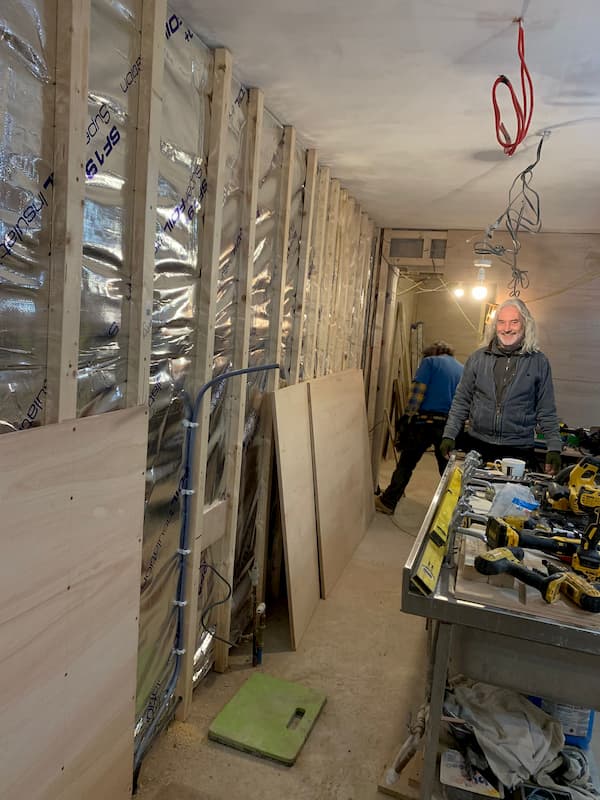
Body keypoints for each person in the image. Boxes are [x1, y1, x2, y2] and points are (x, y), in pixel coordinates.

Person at [440, 298, 562, 474]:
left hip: (518, 450)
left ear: (525, 325)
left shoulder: (538, 362)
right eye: (501, 322)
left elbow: (546, 409)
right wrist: (449, 434)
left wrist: (554, 446)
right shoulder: (478, 358)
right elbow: (461, 401)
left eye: (514, 322)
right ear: (494, 326)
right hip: (478, 445)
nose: (507, 328)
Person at [375, 341, 464, 514]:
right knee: (447, 469)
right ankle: (455, 509)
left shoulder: (430, 362)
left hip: (425, 422)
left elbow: (418, 391)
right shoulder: (461, 368)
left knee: (406, 464)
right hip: (448, 426)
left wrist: (408, 416)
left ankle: (388, 502)